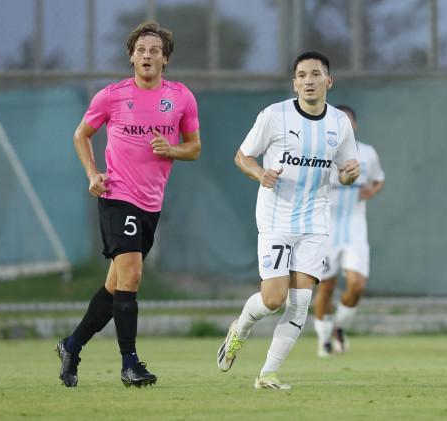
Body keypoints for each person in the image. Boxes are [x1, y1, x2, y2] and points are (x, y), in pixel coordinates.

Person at [56, 21, 201, 388]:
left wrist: (173, 149)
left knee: (116, 286)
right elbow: (81, 135)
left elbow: (194, 147)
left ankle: (72, 346)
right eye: (141, 50)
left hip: (152, 203)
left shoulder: (181, 97)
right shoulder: (111, 96)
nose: (147, 55)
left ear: (165, 59)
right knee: (132, 275)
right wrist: (92, 173)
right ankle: (129, 363)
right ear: (131, 58)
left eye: (154, 50)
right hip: (117, 195)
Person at [217, 51, 360, 389]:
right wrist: (259, 174)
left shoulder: (339, 123)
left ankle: (268, 374)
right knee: (273, 299)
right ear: (294, 83)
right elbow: (242, 156)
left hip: (315, 221)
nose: (309, 81)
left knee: (301, 302)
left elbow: (344, 173)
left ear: (328, 81)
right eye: (302, 75)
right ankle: (240, 329)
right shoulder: (275, 115)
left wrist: (350, 175)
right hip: (276, 219)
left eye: (315, 74)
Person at [312, 105, 385, 357]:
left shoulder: (367, 153)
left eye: (348, 120)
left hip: (355, 229)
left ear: (354, 125)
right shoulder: (318, 152)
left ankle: (339, 326)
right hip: (325, 230)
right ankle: (324, 340)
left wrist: (372, 190)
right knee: (326, 287)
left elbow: (379, 179)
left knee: (357, 285)